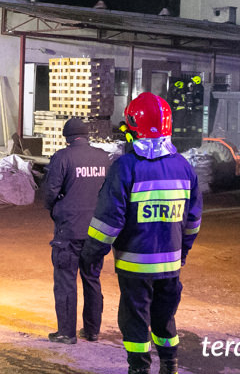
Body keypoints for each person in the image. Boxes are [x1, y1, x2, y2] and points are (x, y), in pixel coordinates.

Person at [81, 93, 202, 374]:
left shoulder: (126, 167)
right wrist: (182, 252)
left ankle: (139, 369)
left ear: (135, 126)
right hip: (171, 265)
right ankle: (169, 366)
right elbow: (193, 221)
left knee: (135, 321)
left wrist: (91, 254)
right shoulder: (184, 167)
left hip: (135, 267)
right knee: (165, 318)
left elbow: (108, 221)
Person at [43, 117, 113, 345]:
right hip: (96, 232)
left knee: (66, 281)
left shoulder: (63, 157)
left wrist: (56, 208)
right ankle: (92, 330)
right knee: (92, 279)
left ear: (68, 137)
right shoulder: (104, 158)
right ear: (87, 135)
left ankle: (66, 333)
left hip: (69, 231)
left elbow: (50, 192)